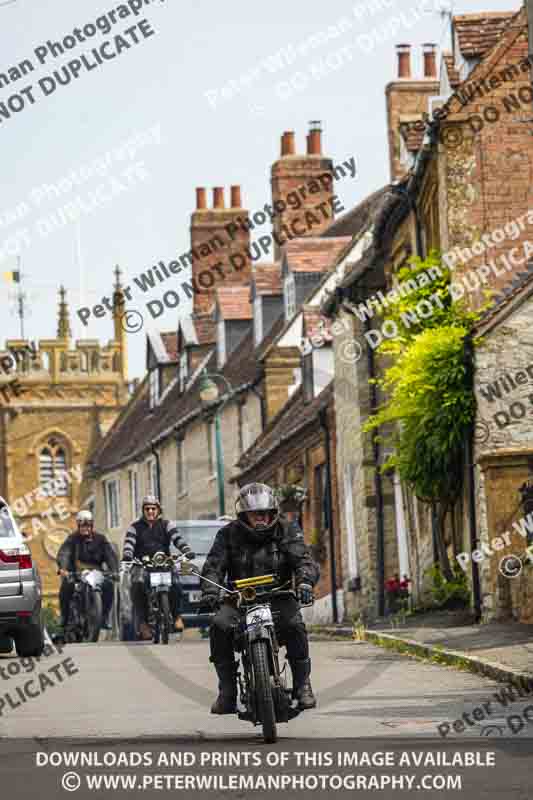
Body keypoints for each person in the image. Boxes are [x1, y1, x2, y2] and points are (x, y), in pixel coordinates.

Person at [201, 482, 319, 715]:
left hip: (279, 595)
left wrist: (305, 581)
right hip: (240, 599)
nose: (261, 519)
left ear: (273, 513)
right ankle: (227, 692)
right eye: (255, 514)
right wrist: (210, 592)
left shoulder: (287, 529)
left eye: (265, 514)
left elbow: (303, 560)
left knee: (295, 626)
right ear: (244, 515)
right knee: (219, 626)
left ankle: (302, 685)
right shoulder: (227, 534)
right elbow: (213, 566)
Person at [121, 495, 195, 640]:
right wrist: (128, 554)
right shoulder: (134, 527)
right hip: (141, 564)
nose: (150, 511)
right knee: (137, 584)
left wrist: (186, 550)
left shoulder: (167, 524)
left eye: (153, 508)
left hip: (164, 562)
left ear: (158, 510)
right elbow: (129, 543)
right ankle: (143, 624)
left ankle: (177, 615)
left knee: (176, 583)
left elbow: (177, 539)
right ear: (143, 511)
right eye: (147, 509)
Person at [57, 510, 119, 632]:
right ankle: (64, 616)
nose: (85, 528)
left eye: (87, 525)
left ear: (91, 525)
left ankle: (105, 617)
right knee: (66, 586)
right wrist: (63, 568)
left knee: (109, 586)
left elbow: (110, 555)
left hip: (97, 573)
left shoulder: (100, 539)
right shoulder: (72, 539)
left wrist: (114, 570)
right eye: (82, 525)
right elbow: (64, 553)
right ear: (78, 526)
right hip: (77, 573)